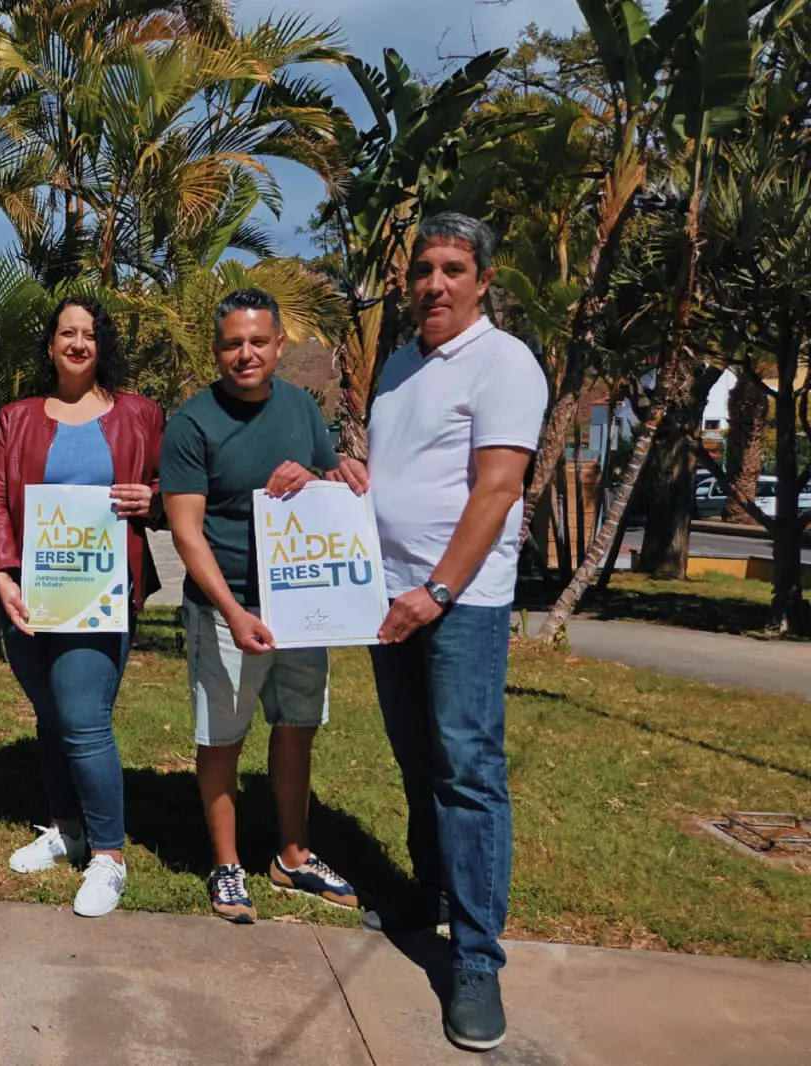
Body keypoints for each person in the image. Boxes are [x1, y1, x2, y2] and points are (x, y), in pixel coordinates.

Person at [363, 213, 546, 1052]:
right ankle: (430, 890)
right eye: (422, 270)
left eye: (452, 269)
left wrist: (436, 590)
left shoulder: (505, 364)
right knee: (416, 757)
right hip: (386, 599)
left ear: (481, 280)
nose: (433, 284)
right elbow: (398, 471)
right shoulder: (400, 365)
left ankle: (475, 959)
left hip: (457, 604)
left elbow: (495, 492)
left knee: (468, 771)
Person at [159, 288, 366, 924]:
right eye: (231, 343)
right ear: (216, 349)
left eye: (257, 341)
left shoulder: (303, 408)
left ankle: (292, 856)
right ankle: (226, 866)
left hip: (301, 603)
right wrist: (231, 611)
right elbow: (187, 532)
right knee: (223, 737)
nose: (245, 354)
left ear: (278, 345)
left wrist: (340, 474)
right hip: (227, 608)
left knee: (296, 728)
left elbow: (328, 484)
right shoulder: (191, 423)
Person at [0, 296, 163, 918]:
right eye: (67, 333)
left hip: (102, 594)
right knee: (51, 714)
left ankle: (108, 856)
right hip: (31, 594)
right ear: (51, 345)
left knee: (83, 718)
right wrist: (2, 574)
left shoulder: (140, 415)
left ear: (100, 344)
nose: (78, 343)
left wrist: (152, 499)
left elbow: (176, 486)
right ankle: (68, 829)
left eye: (89, 333)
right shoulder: (17, 418)